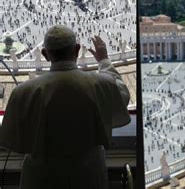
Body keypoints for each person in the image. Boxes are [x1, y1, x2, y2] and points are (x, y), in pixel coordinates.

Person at [0, 25, 130, 189]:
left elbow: (13, 142)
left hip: (42, 178)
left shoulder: (23, 92)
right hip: (88, 175)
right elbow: (122, 94)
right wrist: (103, 60)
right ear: (76, 50)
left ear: (45, 55)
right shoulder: (100, 84)